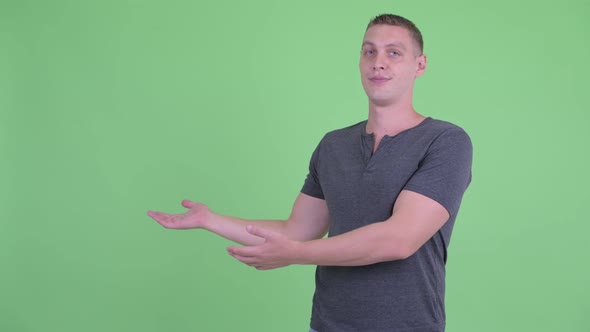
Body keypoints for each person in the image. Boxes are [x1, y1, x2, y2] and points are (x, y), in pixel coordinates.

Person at [148, 13, 472, 332]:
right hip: (327, 325)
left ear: (420, 65)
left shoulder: (446, 142)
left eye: (394, 52)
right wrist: (210, 219)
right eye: (369, 51)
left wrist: (296, 254)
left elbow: (399, 239)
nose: (378, 62)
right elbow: (297, 231)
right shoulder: (333, 145)